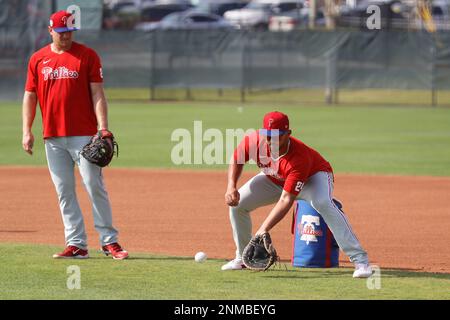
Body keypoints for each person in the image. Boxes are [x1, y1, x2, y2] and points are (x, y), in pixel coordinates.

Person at [22, 10, 128, 260]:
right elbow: (30, 96)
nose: (66, 36)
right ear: (50, 31)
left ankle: (109, 241)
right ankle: (77, 244)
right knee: (65, 191)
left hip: (84, 136)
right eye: (61, 32)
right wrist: (27, 130)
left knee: (94, 185)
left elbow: (97, 94)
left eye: (69, 32)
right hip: (53, 137)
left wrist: (103, 128)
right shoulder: (38, 59)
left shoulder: (87, 55)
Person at [222, 111, 372, 278]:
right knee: (239, 204)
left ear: (288, 134)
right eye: (267, 134)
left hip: (313, 178)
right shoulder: (254, 140)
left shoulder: (298, 157)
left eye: (277, 135)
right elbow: (237, 159)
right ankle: (243, 258)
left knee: (322, 202)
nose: (271, 139)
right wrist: (231, 186)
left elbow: (286, 199)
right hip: (275, 178)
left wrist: (263, 230)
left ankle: (361, 261)